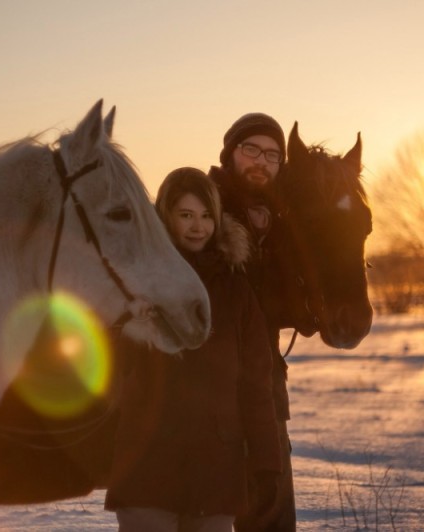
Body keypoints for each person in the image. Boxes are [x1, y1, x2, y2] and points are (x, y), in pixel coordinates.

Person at [104, 167, 282, 531]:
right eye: (185, 215)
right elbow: (103, 367)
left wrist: (265, 463)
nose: (198, 226)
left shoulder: (236, 291)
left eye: (205, 216)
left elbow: (256, 384)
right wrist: (128, 330)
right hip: (146, 468)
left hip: (216, 469)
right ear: (165, 218)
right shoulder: (135, 282)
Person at [208, 113, 296, 531]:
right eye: (252, 150)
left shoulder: (286, 223)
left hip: (267, 388)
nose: (262, 161)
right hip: (207, 392)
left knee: (272, 510)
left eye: (273, 155)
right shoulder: (201, 207)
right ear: (231, 153)